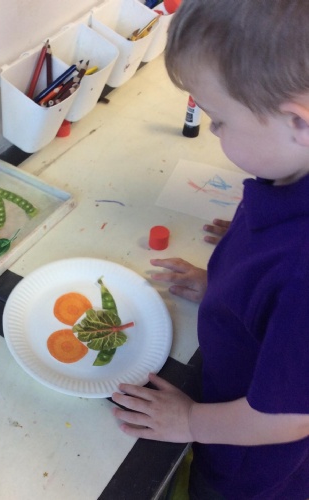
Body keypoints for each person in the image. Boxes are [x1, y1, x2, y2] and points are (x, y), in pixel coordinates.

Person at [111, 1, 309, 498]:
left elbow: (287, 417)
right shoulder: (287, 173)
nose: (214, 132)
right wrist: (224, 283)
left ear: (298, 123)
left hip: (249, 464)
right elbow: (270, 271)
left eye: (219, 120)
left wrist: (190, 422)